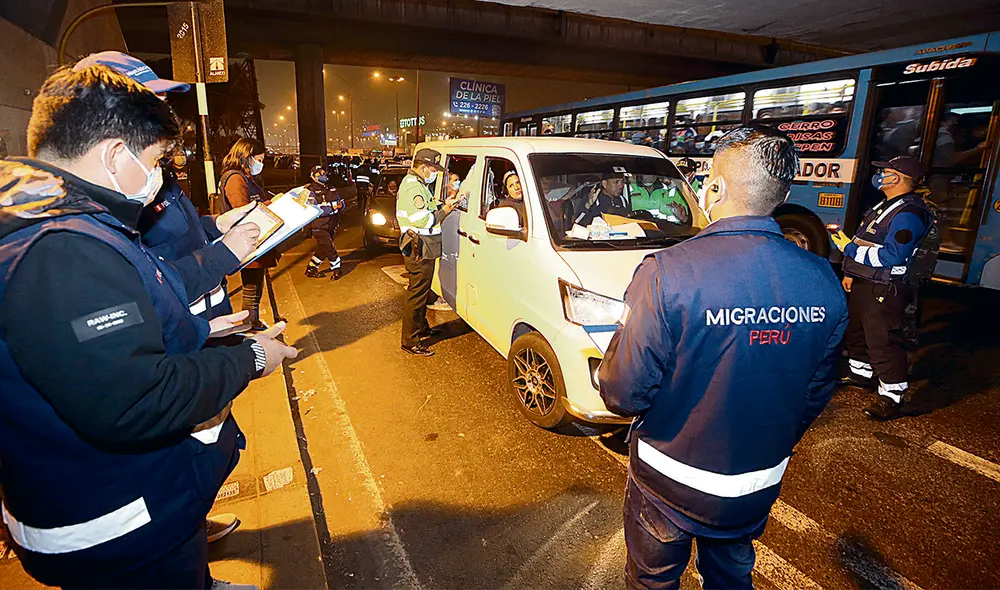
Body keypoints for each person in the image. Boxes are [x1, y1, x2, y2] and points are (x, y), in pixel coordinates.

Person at [0, 63, 298, 590]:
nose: (161, 173)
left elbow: (108, 332)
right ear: (116, 155)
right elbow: (135, 400)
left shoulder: (59, 220)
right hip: (115, 524)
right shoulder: (62, 250)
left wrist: (194, 330)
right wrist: (249, 358)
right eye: (157, 158)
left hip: (104, 502)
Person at [599, 125, 848, 590]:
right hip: (754, 482)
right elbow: (816, 390)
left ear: (715, 188)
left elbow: (622, 392)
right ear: (784, 192)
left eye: (707, 181)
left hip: (668, 482)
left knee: (653, 581)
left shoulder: (667, 271)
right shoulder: (822, 279)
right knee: (732, 578)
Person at [830, 156, 934, 420]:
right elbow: (867, 239)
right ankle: (861, 374)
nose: (879, 176)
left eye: (884, 172)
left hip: (884, 286)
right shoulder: (885, 206)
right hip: (866, 281)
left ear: (897, 178)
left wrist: (848, 249)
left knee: (883, 341)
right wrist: (851, 272)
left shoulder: (910, 213)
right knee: (857, 332)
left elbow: (892, 256)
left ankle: (891, 397)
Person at [396, 148, 461, 356]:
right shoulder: (414, 188)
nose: (435, 173)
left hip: (422, 246)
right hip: (419, 248)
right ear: (424, 167)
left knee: (422, 291)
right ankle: (410, 340)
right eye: (433, 169)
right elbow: (424, 220)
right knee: (416, 294)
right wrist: (446, 211)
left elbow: (428, 208)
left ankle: (421, 328)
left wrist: (443, 204)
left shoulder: (418, 185)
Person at [219, 138, 273, 331]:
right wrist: (271, 206)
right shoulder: (235, 179)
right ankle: (249, 326)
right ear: (246, 156)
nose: (261, 164)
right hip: (246, 243)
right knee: (251, 287)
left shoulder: (244, 177)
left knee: (256, 285)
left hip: (252, 240)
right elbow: (243, 210)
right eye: (259, 159)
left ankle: (253, 322)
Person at [304, 165, 346, 279]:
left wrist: (340, 206)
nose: (323, 175)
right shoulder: (309, 191)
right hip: (318, 225)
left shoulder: (331, 188)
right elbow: (312, 209)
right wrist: (332, 208)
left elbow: (340, 201)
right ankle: (337, 267)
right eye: (320, 173)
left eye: (324, 172)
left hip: (331, 223)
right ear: (313, 176)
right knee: (329, 247)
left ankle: (311, 269)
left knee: (323, 248)